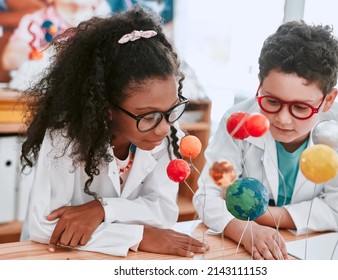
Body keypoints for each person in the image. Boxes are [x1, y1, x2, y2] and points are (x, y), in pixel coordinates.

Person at [20, 6, 208, 257]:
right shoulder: (65, 137)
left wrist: (102, 209)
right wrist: (139, 235)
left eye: (172, 109)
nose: (164, 128)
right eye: (149, 115)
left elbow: (163, 211)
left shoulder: (164, 135)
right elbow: (44, 226)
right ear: (107, 107)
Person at [193, 20, 338, 260]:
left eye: (300, 107)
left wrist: (254, 213)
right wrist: (244, 230)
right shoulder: (238, 122)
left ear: (328, 100)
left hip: (311, 245)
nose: (283, 119)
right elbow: (206, 195)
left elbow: (337, 210)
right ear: (260, 86)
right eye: (272, 101)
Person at [2, 0, 111, 90]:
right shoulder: (37, 22)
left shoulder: (105, 27)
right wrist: (44, 51)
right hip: (46, 96)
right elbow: (9, 60)